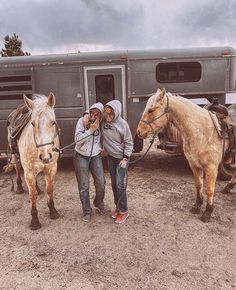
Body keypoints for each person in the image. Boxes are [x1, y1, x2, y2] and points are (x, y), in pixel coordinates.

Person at [101, 100, 133, 224]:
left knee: (120, 185)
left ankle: (124, 211)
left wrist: (125, 158)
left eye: (111, 115)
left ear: (116, 113)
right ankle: (118, 207)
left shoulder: (123, 124)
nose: (108, 117)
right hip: (111, 157)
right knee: (114, 184)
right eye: (106, 114)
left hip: (121, 159)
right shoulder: (103, 122)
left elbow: (129, 142)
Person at [73, 103, 106, 222]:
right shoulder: (82, 121)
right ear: (90, 112)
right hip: (81, 156)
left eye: (97, 114)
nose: (94, 115)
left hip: (96, 155)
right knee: (84, 186)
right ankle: (87, 211)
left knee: (101, 183)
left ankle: (98, 203)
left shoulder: (103, 123)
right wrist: (91, 130)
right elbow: (77, 140)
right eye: (92, 112)